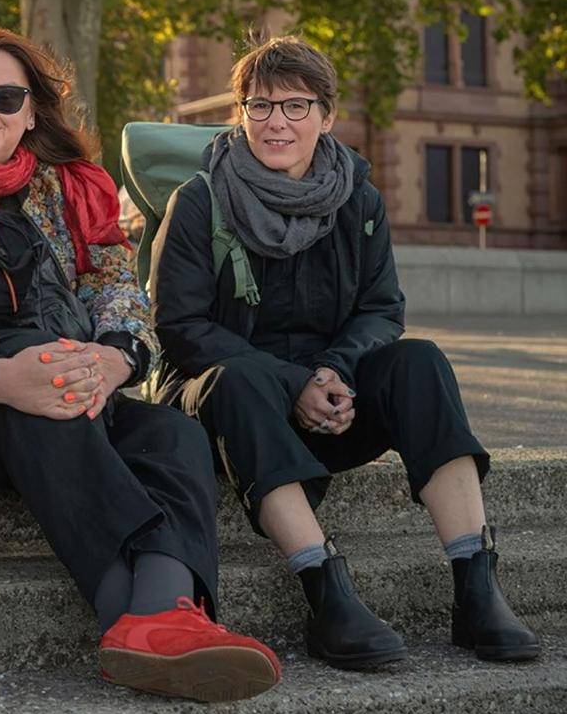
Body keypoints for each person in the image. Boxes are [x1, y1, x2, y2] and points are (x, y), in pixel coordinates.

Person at [0, 27, 281, 703]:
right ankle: (129, 615)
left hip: (68, 389)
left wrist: (114, 358)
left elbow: (116, 288)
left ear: (31, 111)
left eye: (5, 95)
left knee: (172, 433)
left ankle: (163, 615)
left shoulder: (65, 187)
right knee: (40, 372)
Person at [153, 35, 539, 668]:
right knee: (240, 379)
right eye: (260, 105)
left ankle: (476, 585)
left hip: (334, 402)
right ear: (241, 113)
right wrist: (292, 384)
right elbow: (181, 327)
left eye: (296, 106)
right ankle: (326, 589)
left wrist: (333, 372)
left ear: (327, 117)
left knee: (421, 362)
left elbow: (382, 308)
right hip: (226, 408)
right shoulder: (200, 201)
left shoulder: (359, 200)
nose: (276, 121)